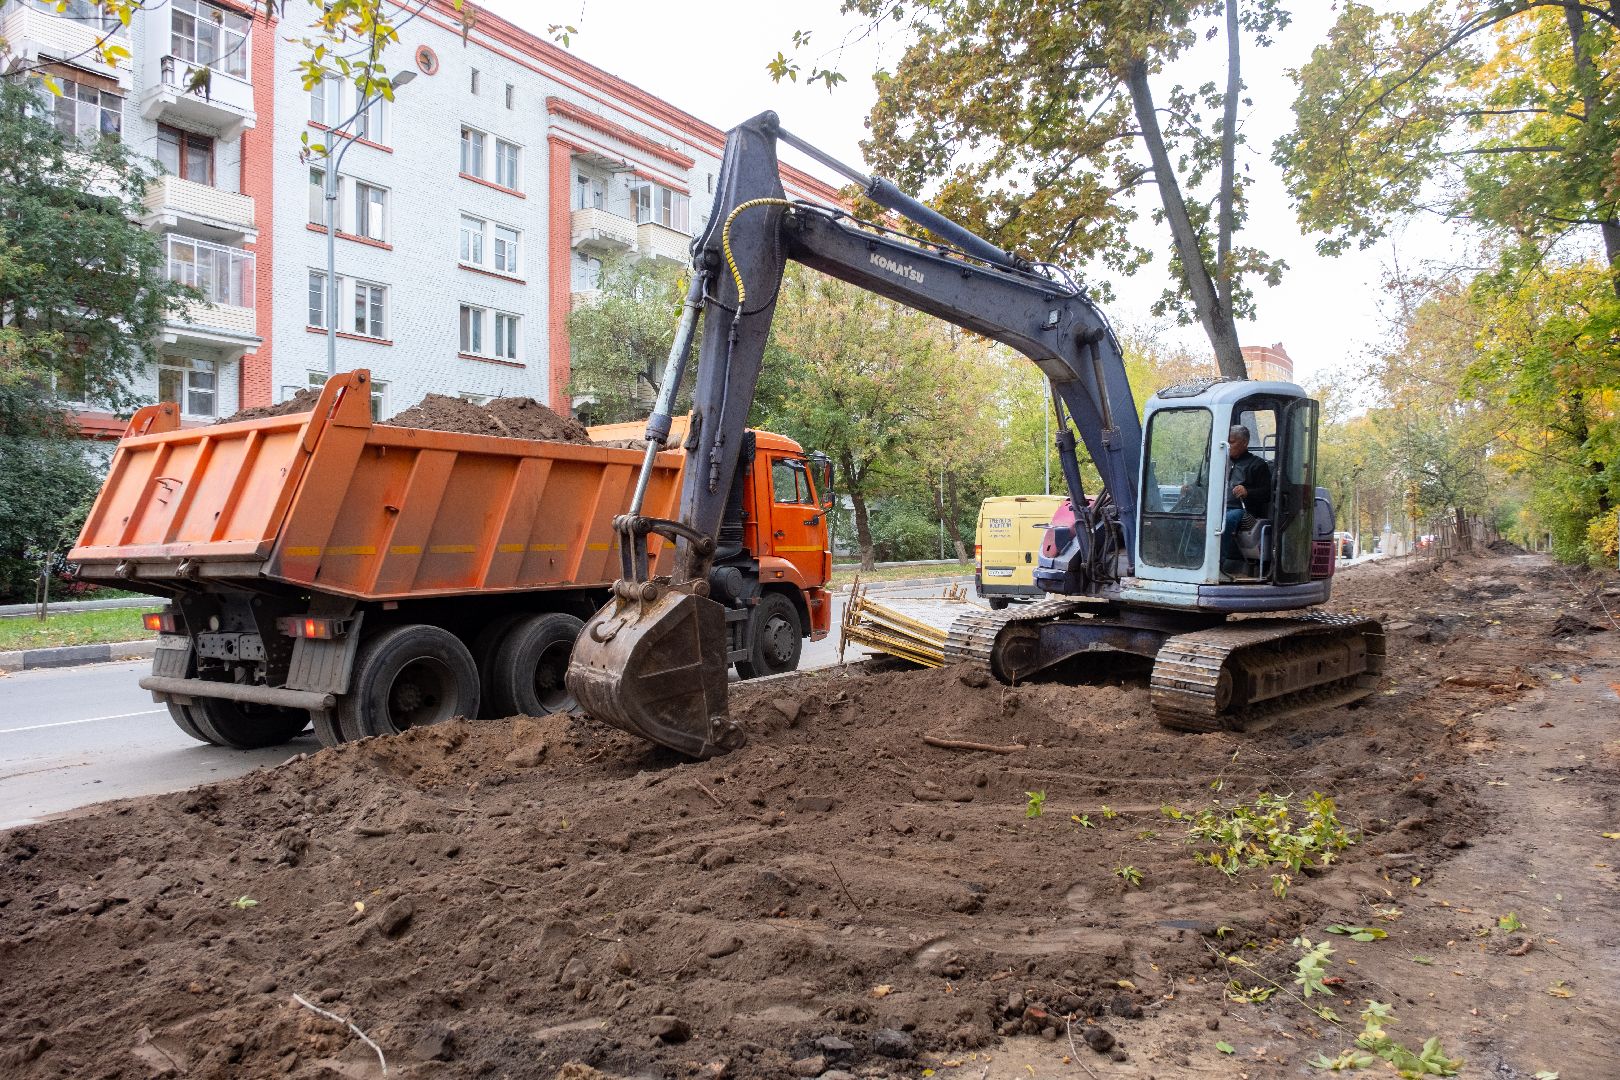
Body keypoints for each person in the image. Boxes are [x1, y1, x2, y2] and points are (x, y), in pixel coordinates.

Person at [1222, 425, 1272, 570]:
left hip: (1245, 513)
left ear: (1244, 443)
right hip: (1219, 508)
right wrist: (1191, 487)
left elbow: (1266, 494)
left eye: (1232, 442)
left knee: (1224, 521)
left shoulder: (1258, 465)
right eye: (1227, 442)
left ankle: (1217, 563)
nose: (1228, 446)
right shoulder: (1220, 462)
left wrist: (1248, 491)